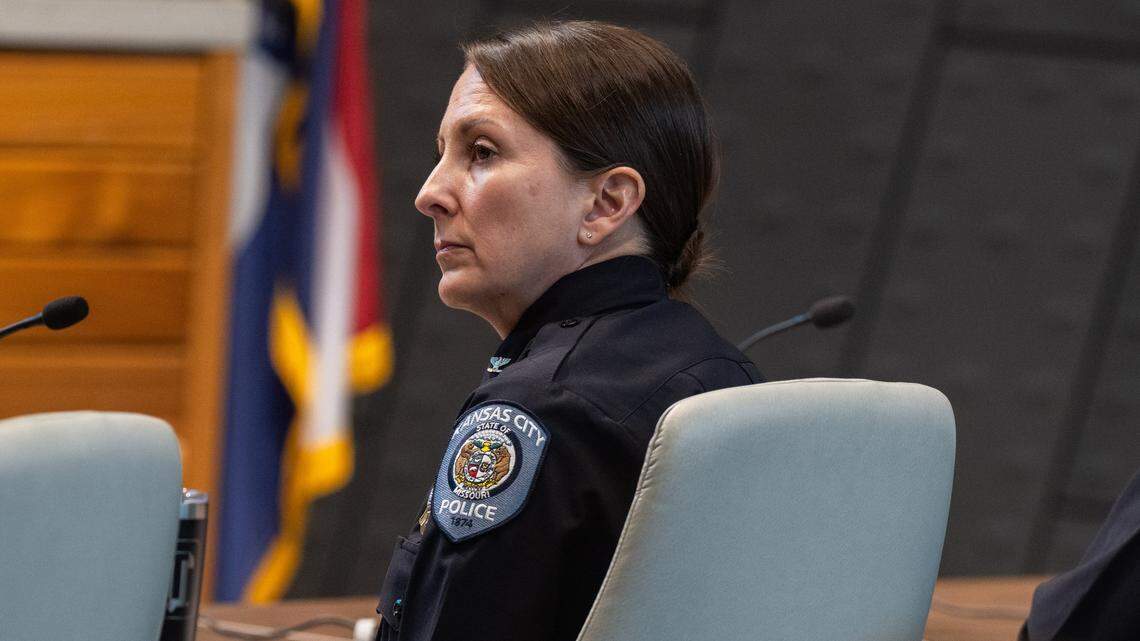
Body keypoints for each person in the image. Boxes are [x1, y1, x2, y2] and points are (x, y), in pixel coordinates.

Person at [374, 20, 762, 641]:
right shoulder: (727, 373)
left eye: (481, 153)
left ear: (607, 204)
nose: (430, 193)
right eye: (441, 152)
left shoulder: (538, 407)